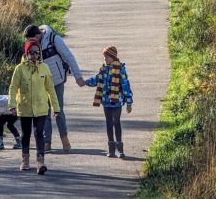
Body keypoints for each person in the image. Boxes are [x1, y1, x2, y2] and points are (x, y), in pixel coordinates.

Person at [22, 24, 85, 154]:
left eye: (32, 39)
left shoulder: (54, 39)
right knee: (44, 112)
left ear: (38, 35)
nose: (31, 43)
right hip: (40, 83)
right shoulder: (32, 46)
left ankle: (64, 139)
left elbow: (68, 56)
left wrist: (78, 76)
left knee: (58, 111)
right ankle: (47, 142)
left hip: (57, 81)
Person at [9, 39, 60, 174]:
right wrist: (12, 105)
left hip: (41, 107)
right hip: (24, 107)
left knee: (39, 133)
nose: (34, 55)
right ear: (26, 53)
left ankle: (40, 162)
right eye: (31, 53)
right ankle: (25, 160)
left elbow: (50, 89)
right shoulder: (19, 69)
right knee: (26, 134)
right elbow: (13, 87)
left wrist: (56, 108)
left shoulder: (44, 67)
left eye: (36, 53)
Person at [84, 45, 133, 158]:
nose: (105, 58)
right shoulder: (103, 69)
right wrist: (85, 82)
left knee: (116, 122)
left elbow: (126, 86)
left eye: (106, 56)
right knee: (109, 123)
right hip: (106, 101)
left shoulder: (120, 69)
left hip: (117, 101)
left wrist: (129, 102)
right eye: (104, 56)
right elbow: (96, 80)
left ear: (112, 57)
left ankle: (120, 148)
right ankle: (111, 148)